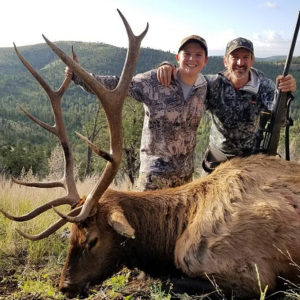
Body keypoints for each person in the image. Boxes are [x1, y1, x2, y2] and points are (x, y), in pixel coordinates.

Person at [66, 35, 209, 190]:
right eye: (186, 54)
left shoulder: (204, 87)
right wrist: (78, 75)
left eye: (198, 55)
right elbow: (117, 85)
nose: (191, 59)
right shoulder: (155, 81)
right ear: (177, 57)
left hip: (185, 181)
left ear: (205, 60)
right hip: (154, 178)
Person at [157, 37, 297, 173]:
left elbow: (281, 121)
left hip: (249, 163)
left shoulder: (265, 86)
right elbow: (187, 81)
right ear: (225, 61)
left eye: (245, 57)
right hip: (216, 163)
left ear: (252, 61)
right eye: (234, 57)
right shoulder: (212, 84)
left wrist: (285, 94)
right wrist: (167, 66)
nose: (240, 62)